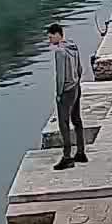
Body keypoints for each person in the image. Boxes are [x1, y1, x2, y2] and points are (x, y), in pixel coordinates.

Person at [49, 23, 87, 169]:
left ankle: (67, 157)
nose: (50, 40)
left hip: (66, 91)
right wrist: (77, 83)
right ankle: (81, 152)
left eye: (51, 37)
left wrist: (58, 94)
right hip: (76, 87)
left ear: (58, 34)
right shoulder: (73, 46)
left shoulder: (60, 52)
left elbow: (60, 76)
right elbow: (80, 69)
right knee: (77, 120)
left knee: (63, 123)